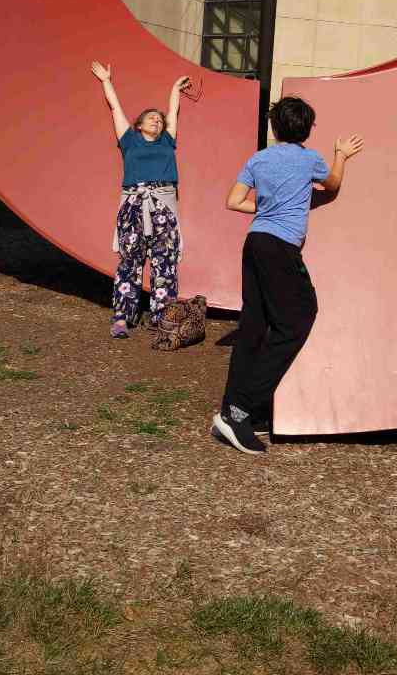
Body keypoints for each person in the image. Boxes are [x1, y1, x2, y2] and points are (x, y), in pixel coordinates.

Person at [213, 96, 363, 455]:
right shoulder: (309, 158)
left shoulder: (259, 159)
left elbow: (233, 201)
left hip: (255, 242)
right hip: (280, 248)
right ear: (307, 129)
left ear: (274, 127)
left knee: (253, 326)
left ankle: (230, 410)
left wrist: (266, 206)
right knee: (298, 320)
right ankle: (241, 410)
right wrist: (341, 154)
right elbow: (334, 185)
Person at [91, 61, 191, 338]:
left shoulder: (167, 142)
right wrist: (106, 81)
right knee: (129, 262)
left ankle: (162, 319)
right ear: (138, 124)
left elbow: (173, 112)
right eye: (151, 118)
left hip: (163, 206)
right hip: (134, 206)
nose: (157, 121)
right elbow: (115, 108)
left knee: (165, 263)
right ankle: (122, 317)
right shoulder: (129, 140)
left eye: (159, 119)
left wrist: (174, 89)